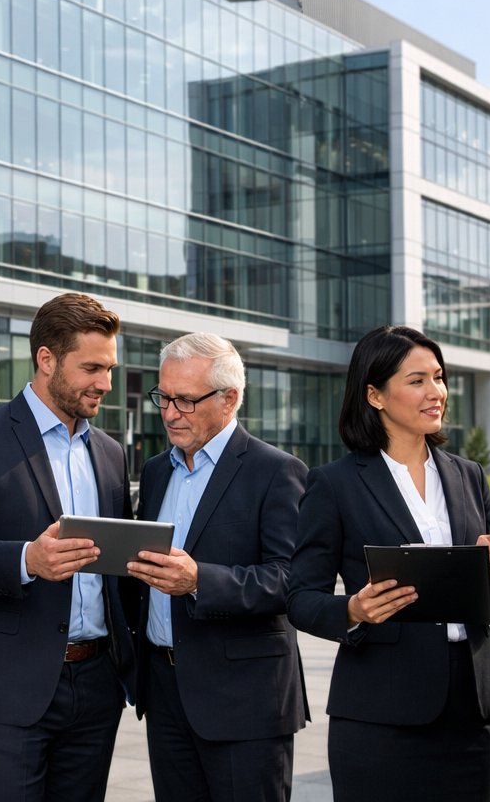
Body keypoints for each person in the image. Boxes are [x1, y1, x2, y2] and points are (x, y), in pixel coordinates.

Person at [0, 291, 137, 802]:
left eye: (110, 368)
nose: (106, 383)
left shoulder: (108, 452)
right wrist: (25, 560)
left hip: (96, 689)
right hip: (1, 689)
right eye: (92, 368)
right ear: (46, 359)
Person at [288, 325, 490, 802]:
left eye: (438, 377)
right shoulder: (334, 485)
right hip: (380, 715)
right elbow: (300, 598)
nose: (436, 392)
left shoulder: (468, 475)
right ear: (374, 394)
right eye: (417, 381)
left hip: (471, 710)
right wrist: (352, 610)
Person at [129, 332, 309, 802]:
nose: (169, 413)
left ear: (229, 399)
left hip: (245, 701)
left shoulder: (276, 471)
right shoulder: (155, 471)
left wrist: (199, 581)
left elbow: (293, 581)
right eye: (163, 397)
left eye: (185, 401)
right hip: (165, 690)